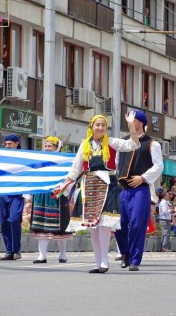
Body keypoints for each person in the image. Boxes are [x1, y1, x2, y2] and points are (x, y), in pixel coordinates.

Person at [56, 111, 140, 274]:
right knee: (92, 226)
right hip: (89, 187)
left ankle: (104, 261)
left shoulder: (112, 142)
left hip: (108, 186)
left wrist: (131, 125)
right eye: (98, 125)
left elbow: (133, 144)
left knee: (103, 225)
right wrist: (63, 185)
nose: (100, 128)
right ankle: (97, 262)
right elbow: (75, 169)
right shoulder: (84, 144)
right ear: (91, 127)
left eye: (103, 125)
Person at [115, 111, 163, 271]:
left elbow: (159, 166)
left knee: (137, 223)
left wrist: (142, 178)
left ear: (140, 123)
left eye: (132, 120)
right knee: (118, 224)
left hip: (140, 189)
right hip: (123, 190)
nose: (129, 122)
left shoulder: (152, 143)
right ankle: (125, 253)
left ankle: (135, 259)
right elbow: (117, 163)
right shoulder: (122, 142)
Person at [30, 136, 72, 264]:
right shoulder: (40, 162)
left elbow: (70, 177)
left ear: (57, 148)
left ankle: (63, 254)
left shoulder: (63, 162)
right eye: (46, 146)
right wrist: (29, 196)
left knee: (60, 227)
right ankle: (42, 255)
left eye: (50, 146)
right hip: (41, 195)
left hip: (57, 195)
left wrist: (63, 189)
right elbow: (34, 178)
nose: (47, 148)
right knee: (41, 225)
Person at [0, 134, 31, 260]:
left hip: (17, 193)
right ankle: (9, 251)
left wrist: (28, 198)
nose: (7, 146)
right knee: (4, 222)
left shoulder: (23, 159)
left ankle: (16, 249)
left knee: (14, 219)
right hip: (3, 192)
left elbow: (28, 177)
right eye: (5, 144)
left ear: (17, 144)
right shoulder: (1, 158)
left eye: (10, 144)